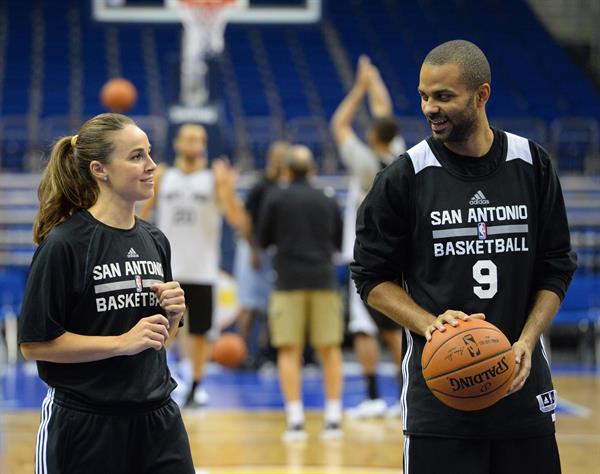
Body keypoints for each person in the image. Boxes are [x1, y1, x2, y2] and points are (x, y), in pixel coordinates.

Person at [352, 39, 577, 474]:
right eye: (423, 96)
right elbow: (369, 277)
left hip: (523, 390)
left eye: (443, 96)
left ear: (481, 95)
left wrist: (528, 340)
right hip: (439, 404)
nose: (430, 108)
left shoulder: (532, 164)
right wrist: (429, 324)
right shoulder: (405, 176)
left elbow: (556, 266)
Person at [17, 113, 194, 474]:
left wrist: (173, 317)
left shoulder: (155, 239)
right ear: (100, 170)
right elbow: (34, 345)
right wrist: (120, 342)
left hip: (158, 421)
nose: (152, 166)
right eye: (136, 156)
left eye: (149, 153)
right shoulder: (64, 244)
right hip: (86, 424)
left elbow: (157, 342)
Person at [139, 123, 244, 407]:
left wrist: (229, 188)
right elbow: (143, 215)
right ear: (177, 143)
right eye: (189, 138)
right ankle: (158, 379)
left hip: (203, 269)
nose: (194, 142)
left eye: (199, 138)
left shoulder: (213, 179)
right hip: (167, 269)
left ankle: (196, 386)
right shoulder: (163, 175)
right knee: (161, 329)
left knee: (198, 333)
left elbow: (236, 220)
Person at [330, 55, 404, 419]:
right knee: (394, 324)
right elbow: (384, 111)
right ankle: (406, 395)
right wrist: (375, 82)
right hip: (396, 253)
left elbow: (340, 124)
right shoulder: (400, 154)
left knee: (363, 327)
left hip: (364, 252)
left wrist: (360, 86)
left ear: (373, 135)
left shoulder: (364, 162)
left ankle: (374, 396)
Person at [258, 145, 344, 442]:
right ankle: (333, 417)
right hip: (323, 279)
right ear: (312, 170)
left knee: (289, 350)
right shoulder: (327, 199)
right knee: (329, 349)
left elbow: (264, 238)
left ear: (287, 170)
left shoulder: (276, 197)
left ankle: (295, 419)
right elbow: (338, 240)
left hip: (287, 282)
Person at [233, 140, 288, 369]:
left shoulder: (285, 186)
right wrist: (254, 250)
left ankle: (265, 354)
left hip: (274, 250)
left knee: (270, 307)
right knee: (249, 305)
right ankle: (240, 353)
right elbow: (246, 220)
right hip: (253, 248)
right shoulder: (260, 186)